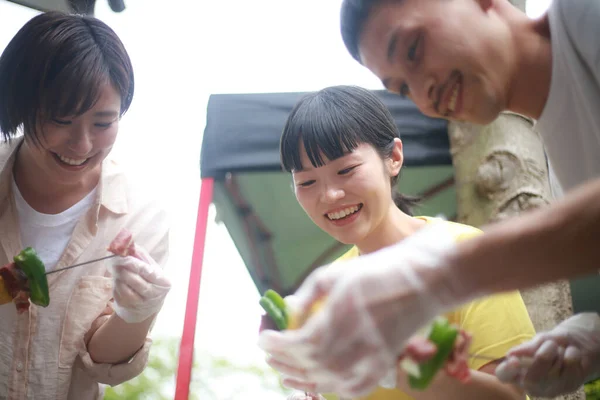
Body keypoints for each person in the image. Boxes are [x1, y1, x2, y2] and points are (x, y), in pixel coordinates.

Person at [259, 0, 600, 397]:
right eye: (402, 87)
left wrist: (437, 277)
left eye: (414, 49)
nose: (424, 94)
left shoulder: (584, 17)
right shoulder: (565, 165)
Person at [262, 85, 534, 400]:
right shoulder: (325, 292)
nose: (330, 196)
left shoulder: (465, 254)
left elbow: (510, 394)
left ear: (393, 157)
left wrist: (393, 368)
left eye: (346, 170)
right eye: (307, 182)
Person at [0, 12, 171, 399]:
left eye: (102, 123)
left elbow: (102, 362)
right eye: (61, 120)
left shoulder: (141, 219)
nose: (82, 145)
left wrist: (134, 313)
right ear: (22, 105)